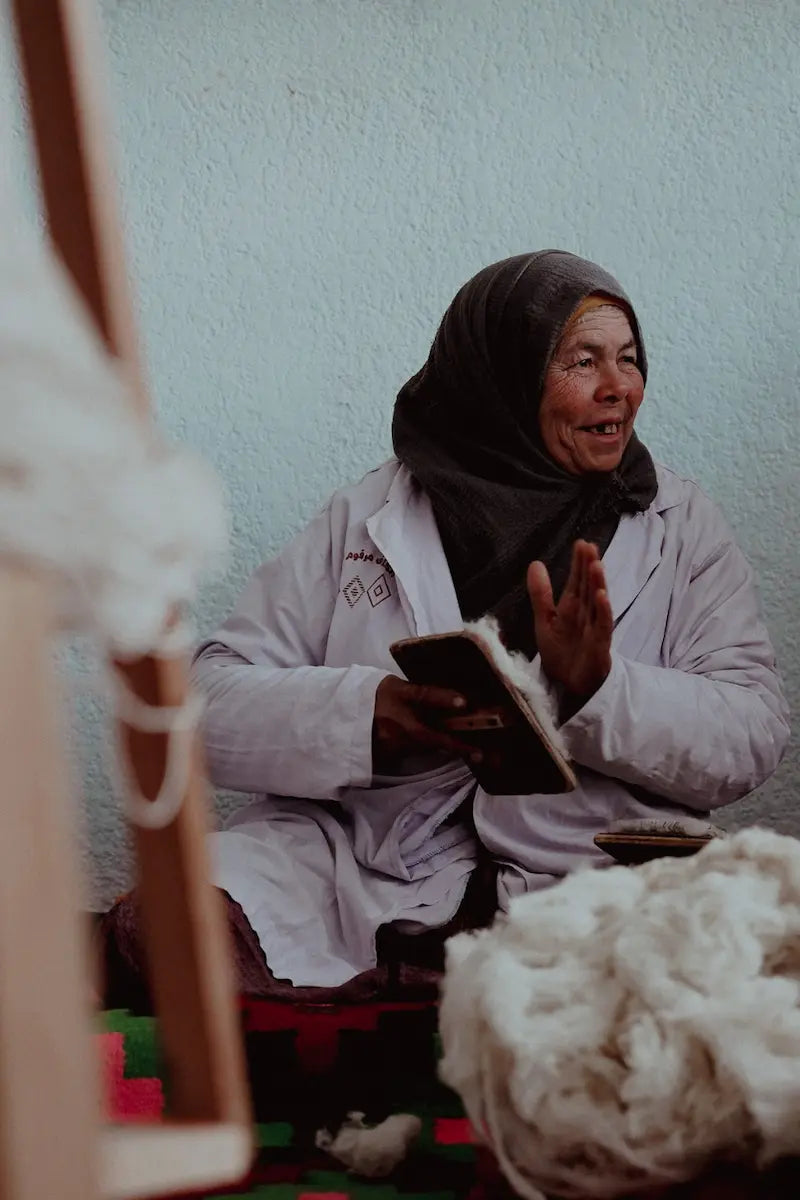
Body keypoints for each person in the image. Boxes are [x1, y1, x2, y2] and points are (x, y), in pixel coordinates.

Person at [102, 250, 790, 1005]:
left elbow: (752, 734)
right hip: (362, 869)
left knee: (725, 955)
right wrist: (370, 714)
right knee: (170, 923)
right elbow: (199, 705)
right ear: (497, 376)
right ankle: (386, 1009)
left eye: (629, 360)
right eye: (583, 361)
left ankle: (386, 1015)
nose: (618, 387)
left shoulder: (680, 527)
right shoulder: (369, 517)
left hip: (589, 877)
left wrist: (600, 688)